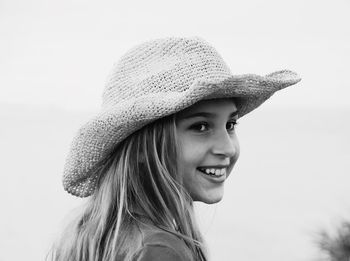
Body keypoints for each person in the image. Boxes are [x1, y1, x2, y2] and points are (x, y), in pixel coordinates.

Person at [49, 37, 301, 261]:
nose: (227, 147)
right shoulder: (161, 250)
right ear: (141, 147)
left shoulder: (90, 233)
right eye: (201, 126)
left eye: (230, 124)